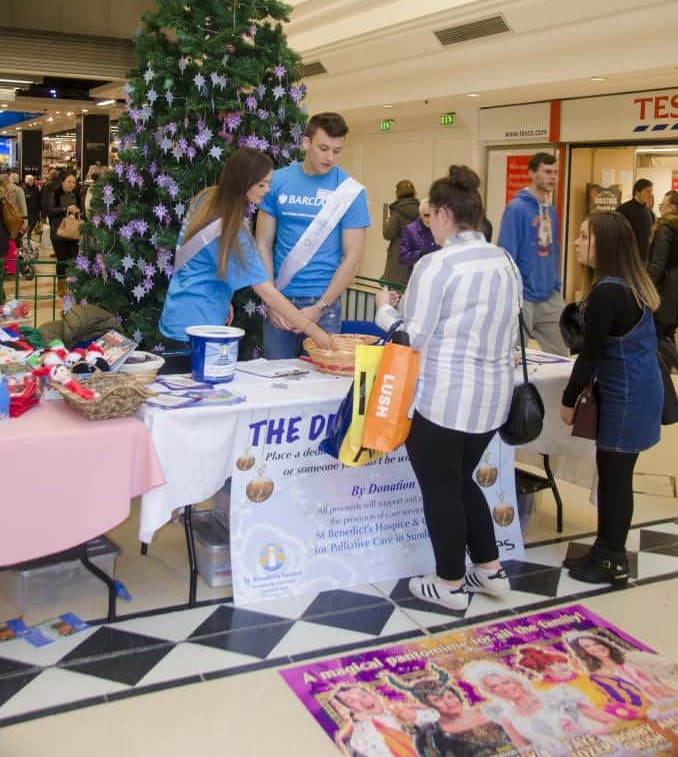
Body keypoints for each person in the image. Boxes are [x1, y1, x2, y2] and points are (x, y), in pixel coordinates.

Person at [374, 166, 520, 611]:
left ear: (441, 214)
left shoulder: (435, 265)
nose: (427, 226)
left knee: (440, 489)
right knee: (461, 480)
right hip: (492, 399)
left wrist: (384, 311)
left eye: (429, 218)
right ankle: (491, 570)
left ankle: (450, 581)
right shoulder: (504, 260)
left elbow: (410, 338)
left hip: (443, 400)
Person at [560, 212, 662, 587]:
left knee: (617, 478)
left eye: (584, 236)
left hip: (627, 397)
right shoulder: (628, 285)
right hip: (638, 391)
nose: (576, 242)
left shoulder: (609, 291)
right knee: (613, 474)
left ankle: (613, 560)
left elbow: (589, 354)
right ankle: (604, 548)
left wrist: (569, 400)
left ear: (603, 244)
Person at [159, 148, 334, 368]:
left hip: (178, 312)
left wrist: (225, 298)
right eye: (261, 184)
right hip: (199, 328)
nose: (267, 190)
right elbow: (267, 292)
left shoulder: (208, 198)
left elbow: (203, 259)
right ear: (242, 182)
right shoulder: (232, 230)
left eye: (268, 183)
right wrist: (313, 330)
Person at [256, 113, 370, 359]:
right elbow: (262, 243)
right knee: (277, 381)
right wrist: (271, 301)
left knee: (322, 383)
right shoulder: (276, 181)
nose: (330, 157)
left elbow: (353, 258)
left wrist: (320, 306)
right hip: (280, 297)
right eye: (323, 148)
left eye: (337, 151)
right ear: (306, 143)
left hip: (324, 303)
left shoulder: (350, 192)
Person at [461, 660, 614, 757]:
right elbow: (526, 752)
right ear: (492, 692)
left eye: (505, 682)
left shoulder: (558, 695)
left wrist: (587, 735)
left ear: (516, 681)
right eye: (495, 687)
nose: (503, 688)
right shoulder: (507, 718)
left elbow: (610, 721)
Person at [498, 151, 566, 355]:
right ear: (532, 173)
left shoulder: (551, 210)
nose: (552, 177)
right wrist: (514, 292)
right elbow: (507, 254)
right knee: (515, 356)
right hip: (523, 296)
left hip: (549, 297)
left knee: (562, 355)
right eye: (547, 172)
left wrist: (556, 284)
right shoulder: (517, 208)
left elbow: (554, 249)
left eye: (555, 172)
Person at [402, 674, 518, 756]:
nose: (448, 702)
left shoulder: (494, 712)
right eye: (438, 700)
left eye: (450, 696)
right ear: (429, 706)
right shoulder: (428, 735)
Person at [567, 633, 676, 707]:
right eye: (587, 646)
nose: (596, 647)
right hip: (652, 711)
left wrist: (668, 688)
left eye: (596, 643)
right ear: (582, 652)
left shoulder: (632, 658)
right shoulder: (598, 677)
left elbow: (671, 666)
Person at [333, 684, 419, 757]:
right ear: (350, 710)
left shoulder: (398, 714)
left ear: (373, 694)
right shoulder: (360, 738)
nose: (363, 701)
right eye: (352, 701)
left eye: (363, 695)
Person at [647, 190, 678, 348]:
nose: (660, 209)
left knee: (657, 335)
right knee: (668, 333)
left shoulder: (665, 229)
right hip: (674, 289)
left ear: (671, 208)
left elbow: (658, 263)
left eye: (662, 205)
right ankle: (665, 371)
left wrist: (645, 286)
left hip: (665, 288)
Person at [45, 170, 82, 296]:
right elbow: (49, 211)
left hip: (73, 232)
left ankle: (71, 284)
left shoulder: (77, 195)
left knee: (72, 258)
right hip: (59, 232)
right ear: (63, 182)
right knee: (62, 259)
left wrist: (78, 212)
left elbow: (82, 211)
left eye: (74, 182)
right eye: (69, 181)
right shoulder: (54, 194)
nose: (72, 184)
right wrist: (65, 209)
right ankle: (61, 286)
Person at [381, 179, 420, 285]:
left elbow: (388, 234)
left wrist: (386, 221)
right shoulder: (421, 209)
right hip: (416, 252)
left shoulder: (397, 211)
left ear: (397, 192)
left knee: (394, 292)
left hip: (399, 254)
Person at [399, 199, 439, 282]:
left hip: (436, 278)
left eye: (432, 215)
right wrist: (420, 253)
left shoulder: (441, 229)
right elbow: (402, 258)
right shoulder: (410, 230)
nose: (429, 219)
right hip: (417, 279)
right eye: (426, 215)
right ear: (420, 215)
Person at [616, 178, 654, 262]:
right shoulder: (623, 209)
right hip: (627, 259)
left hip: (644, 259)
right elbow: (616, 234)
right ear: (637, 192)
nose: (650, 194)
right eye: (648, 191)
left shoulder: (649, 212)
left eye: (651, 191)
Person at [23, 174, 42, 244]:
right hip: (27, 210)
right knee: (27, 225)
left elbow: (39, 198)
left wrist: (40, 208)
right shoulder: (24, 188)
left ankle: (28, 237)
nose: (32, 181)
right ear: (27, 181)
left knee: (33, 224)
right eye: (30, 180)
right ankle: (27, 239)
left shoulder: (36, 188)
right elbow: (23, 199)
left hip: (35, 210)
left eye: (32, 180)